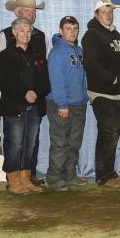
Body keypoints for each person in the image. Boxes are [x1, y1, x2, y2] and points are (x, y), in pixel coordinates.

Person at [0, 0, 50, 186]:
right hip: (14, 102)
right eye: (27, 11)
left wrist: (37, 92)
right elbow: (2, 78)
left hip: (35, 102)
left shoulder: (39, 45)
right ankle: (14, 179)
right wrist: (7, 96)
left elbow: (45, 76)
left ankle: (27, 177)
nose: (31, 14)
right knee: (15, 142)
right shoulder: (5, 47)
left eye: (33, 11)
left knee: (31, 142)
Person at [81, 0, 120, 187]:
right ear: (96, 14)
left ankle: (110, 172)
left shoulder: (115, 34)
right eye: (103, 12)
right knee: (108, 132)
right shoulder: (92, 35)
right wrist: (112, 79)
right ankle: (102, 176)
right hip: (101, 92)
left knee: (113, 133)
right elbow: (90, 63)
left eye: (110, 12)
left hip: (117, 92)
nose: (108, 15)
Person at [45, 16, 87, 191]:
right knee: (60, 142)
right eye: (68, 28)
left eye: (75, 28)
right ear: (61, 31)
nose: (72, 32)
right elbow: (57, 81)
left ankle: (70, 175)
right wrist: (62, 104)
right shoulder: (56, 53)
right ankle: (54, 177)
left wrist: (84, 96)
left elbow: (83, 77)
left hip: (78, 104)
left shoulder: (79, 50)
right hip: (61, 105)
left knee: (74, 142)